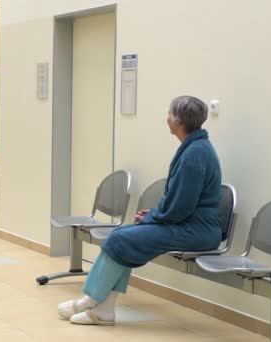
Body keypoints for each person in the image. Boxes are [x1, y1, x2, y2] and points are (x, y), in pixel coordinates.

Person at [58, 95, 222, 325]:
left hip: (197, 231)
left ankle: (89, 302)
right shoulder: (195, 147)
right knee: (123, 238)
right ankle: (103, 309)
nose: (166, 118)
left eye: (169, 113)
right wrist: (153, 215)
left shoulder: (195, 153)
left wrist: (153, 218)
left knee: (121, 239)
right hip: (187, 224)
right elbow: (176, 201)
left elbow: (181, 206)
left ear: (177, 121)